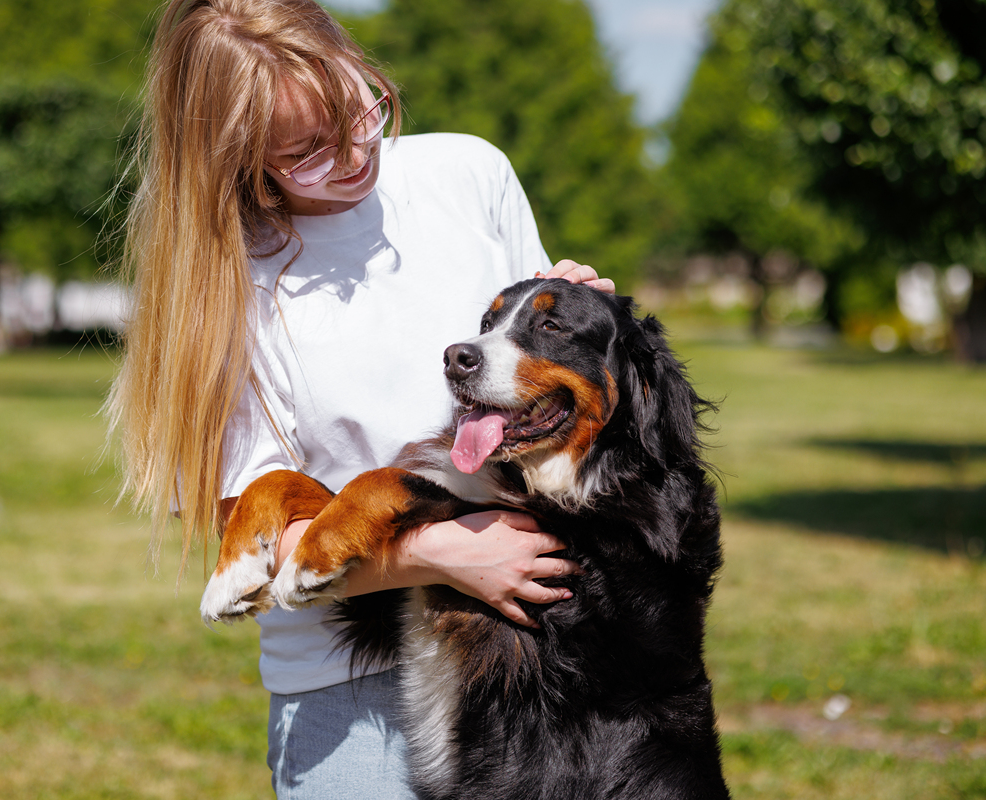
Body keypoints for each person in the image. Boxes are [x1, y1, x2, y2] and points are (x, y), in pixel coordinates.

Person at [105, 1, 615, 797]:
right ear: (233, 159)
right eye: (307, 151)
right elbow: (258, 550)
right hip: (354, 690)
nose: (353, 155)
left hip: (542, 655)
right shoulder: (224, 287)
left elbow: (553, 416)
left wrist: (577, 321)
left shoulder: (468, 173)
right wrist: (448, 554)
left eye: (361, 109)